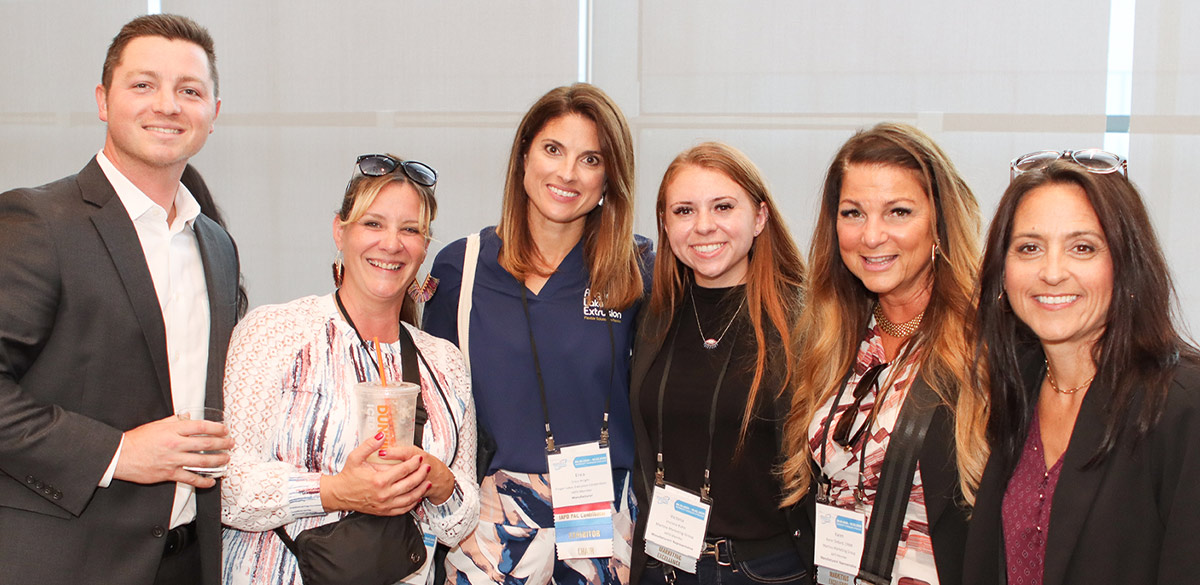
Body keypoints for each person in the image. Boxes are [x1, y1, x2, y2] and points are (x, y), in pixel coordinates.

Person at [0, 14, 236, 585]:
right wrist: (116, 452)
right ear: (104, 100)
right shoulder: (38, 221)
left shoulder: (216, 244)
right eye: (143, 85)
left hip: (191, 560)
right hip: (63, 561)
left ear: (213, 113)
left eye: (189, 90)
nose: (168, 104)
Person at [423, 83, 651, 585]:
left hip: (602, 519)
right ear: (524, 154)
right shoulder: (460, 267)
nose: (568, 173)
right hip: (489, 527)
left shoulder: (639, 270)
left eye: (591, 159)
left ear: (611, 176)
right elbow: (432, 410)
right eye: (553, 150)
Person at [220, 154, 478, 585]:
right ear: (340, 231)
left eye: (410, 229)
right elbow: (225, 487)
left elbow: (458, 523)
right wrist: (334, 491)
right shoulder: (274, 332)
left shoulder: (444, 362)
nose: (392, 244)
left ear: (425, 247)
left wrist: (441, 484)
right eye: (373, 224)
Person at [963, 150, 1200, 585]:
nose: (1052, 272)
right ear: (1002, 270)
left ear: (1126, 264)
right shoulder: (1019, 384)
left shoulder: (1183, 405)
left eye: (1082, 247)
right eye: (1030, 248)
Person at [780, 123, 987, 585]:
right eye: (853, 213)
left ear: (939, 221)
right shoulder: (834, 336)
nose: (872, 236)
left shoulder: (983, 345)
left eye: (898, 212)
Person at [629, 142, 807, 585]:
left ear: (760, 217)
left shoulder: (803, 320)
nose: (704, 226)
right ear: (665, 225)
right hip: (663, 564)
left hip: (765, 569)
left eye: (723, 206)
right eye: (684, 211)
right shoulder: (652, 314)